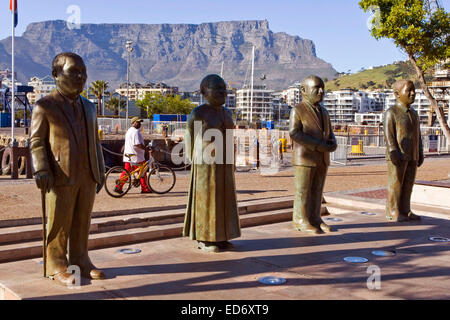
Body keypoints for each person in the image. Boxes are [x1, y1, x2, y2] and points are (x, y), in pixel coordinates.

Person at [30, 52, 106, 285]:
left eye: (83, 73)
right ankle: (56, 264)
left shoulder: (90, 107)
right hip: (60, 175)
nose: (81, 77)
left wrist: (100, 170)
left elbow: (95, 141)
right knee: (59, 222)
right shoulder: (45, 106)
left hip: (87, 173)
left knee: (83, 221)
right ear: (55, 75)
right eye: (74, 72)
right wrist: (41, 169)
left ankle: (81, 260)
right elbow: (36, 142)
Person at [183, 74, 241, 253]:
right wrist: (195, 161)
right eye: (218, 88)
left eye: (224, 88)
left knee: (224, 199)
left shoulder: (228, 113)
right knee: (208, 200)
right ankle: (206, 238)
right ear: (204, 92)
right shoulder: (199, 113)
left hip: (225, 163)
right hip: (205, 164)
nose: (223, 92)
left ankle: (222, 236)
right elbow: (190, 138)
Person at [289, 75, 337, 234]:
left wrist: (332, 141)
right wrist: (318, 145)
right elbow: (294, 133)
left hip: (322, 158)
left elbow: (329, 131)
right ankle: (301, 219)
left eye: (323, 88)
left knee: (317, 190)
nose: (321, 91)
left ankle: (316, 218)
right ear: (303, 90)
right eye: (317, 88)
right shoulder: (298, 110)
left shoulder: (324, 111)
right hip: (305, 158)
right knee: (303, 191)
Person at [384, 80, 424, 222]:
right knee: (396, 184)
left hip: (412, 155)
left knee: (408, 184)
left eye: (414, 90)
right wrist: (393, 151)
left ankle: (406, 210)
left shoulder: (414, 113)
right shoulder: (391, 113)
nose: (413, 93)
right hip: (398, 155)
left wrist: (420, 152)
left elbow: (417, 135)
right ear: (397, 94)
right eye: (409, 91)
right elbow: (389, 136)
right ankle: (393, 210)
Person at [115, 117, 152, 194]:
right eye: (137, 122)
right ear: (133, 123)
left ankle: (118, 187)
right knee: (142, 171)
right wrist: (146, 149)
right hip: (136, 156)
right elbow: (137, 144)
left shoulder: (129, 131)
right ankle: (145, 189)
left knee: (127, 172)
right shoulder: (135, 132)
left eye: (140, 122)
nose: (139, 124)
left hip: (129, 155)